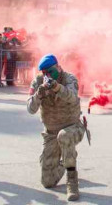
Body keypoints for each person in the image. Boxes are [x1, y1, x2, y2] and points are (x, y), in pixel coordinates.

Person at [27, 54, 87, 201]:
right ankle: (62, 164)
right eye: (44, 72)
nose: (47, 75)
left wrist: (57, 87)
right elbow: (30, 109)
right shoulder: (38, 82)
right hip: (51, 132)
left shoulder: (69, 79)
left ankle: (72, 180)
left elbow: (72, 97)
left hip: (72, 127)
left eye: (50, 71)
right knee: (47, 182)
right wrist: (38, 95)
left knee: (64, 136)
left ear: (58, 67)